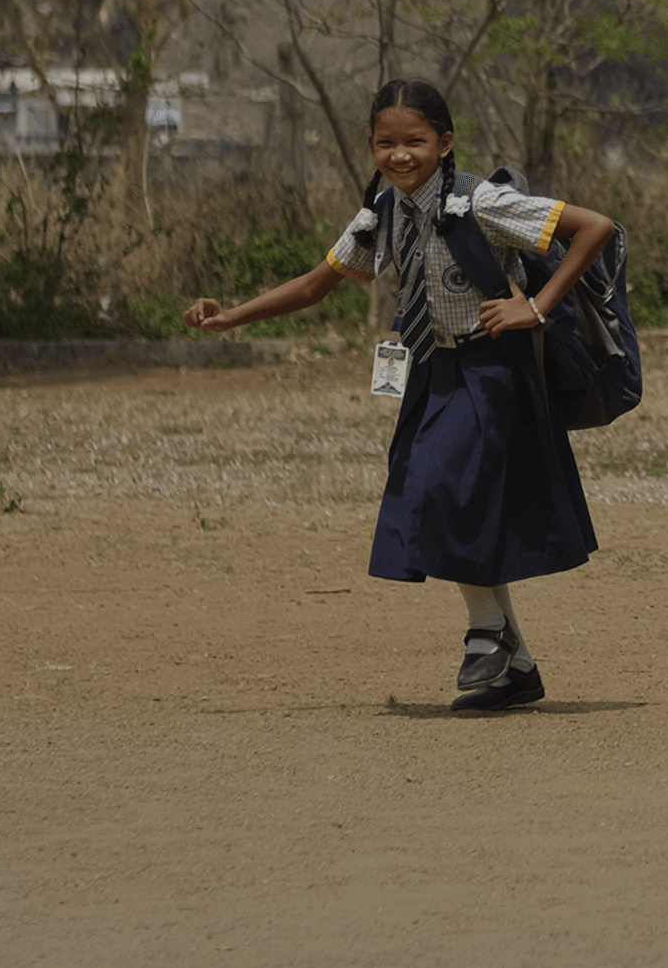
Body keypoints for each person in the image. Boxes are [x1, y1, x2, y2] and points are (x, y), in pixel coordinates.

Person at [187, 80, 616, 713]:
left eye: (415, 141)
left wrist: (536, 305)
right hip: (431, 369)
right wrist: (232, 319)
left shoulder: (483, 202)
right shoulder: (381, 214)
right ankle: (513, 664)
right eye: (387, 143)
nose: (401, 155)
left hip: (493, 370)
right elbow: (315, 285)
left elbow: (595, 227)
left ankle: (483, 633)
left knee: (443, 488)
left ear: (444, 144)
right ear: (371, 147)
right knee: (441, 493)